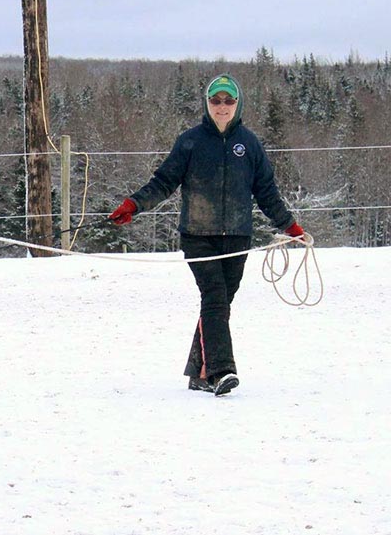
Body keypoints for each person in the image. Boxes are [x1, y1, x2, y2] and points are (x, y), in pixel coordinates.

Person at [108, 73, 305, 396]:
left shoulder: (250, 144)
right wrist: (134, 204)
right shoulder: (190, 142)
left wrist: (289, 225)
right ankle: (221, 371)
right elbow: (164, 181)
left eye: (228, 100)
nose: (222, 106)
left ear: (237, 103)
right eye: (216, 100)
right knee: (214, 298)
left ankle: (198, 372)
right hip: (198, 237)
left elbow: (267, 192)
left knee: (219, 305)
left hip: (237, 238)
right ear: (207, 103)